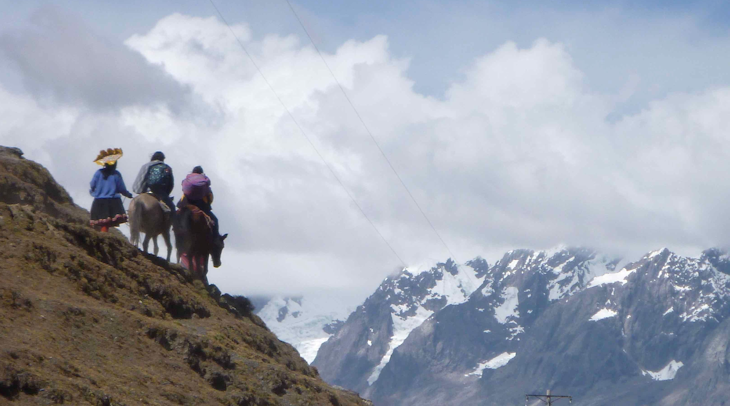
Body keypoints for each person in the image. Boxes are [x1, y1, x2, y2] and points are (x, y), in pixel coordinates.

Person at [89, 148, 133, 232]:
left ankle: (100, 235)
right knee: (106, 223)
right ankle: (104, 236)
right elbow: (121, 188)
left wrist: (94, 192)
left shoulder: (98, 173)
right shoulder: (116, 174)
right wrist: (128, 194)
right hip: (112, 201)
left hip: (99, 201)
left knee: (100, 221)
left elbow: (92, 184)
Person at [178, 166, 219, 236]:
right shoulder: (205, 181)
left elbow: (184, 192)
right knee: (215, 220)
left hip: (187, 203)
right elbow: (210, 198)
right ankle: (216, 238)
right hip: (201, 205)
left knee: (177, 215)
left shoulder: (186, 179)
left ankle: (174, 229)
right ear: (201, 173)